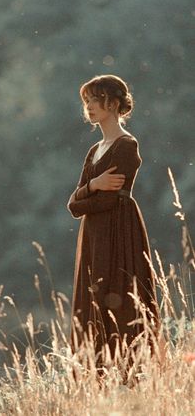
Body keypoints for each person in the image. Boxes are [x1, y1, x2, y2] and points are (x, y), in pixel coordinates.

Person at [67, 74, 160, 383]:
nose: (89, 106)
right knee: (91, 301)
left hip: (119, 231)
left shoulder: (126, 146)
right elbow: (74, 205)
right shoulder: (94, 150)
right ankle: (92, 378)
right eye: (86, 101)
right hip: (94, 235)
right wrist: (93, 184)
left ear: (114, 103)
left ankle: (126, 377)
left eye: (95, 99)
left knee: (118, 298)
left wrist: (89, 194)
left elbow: (105, 203)